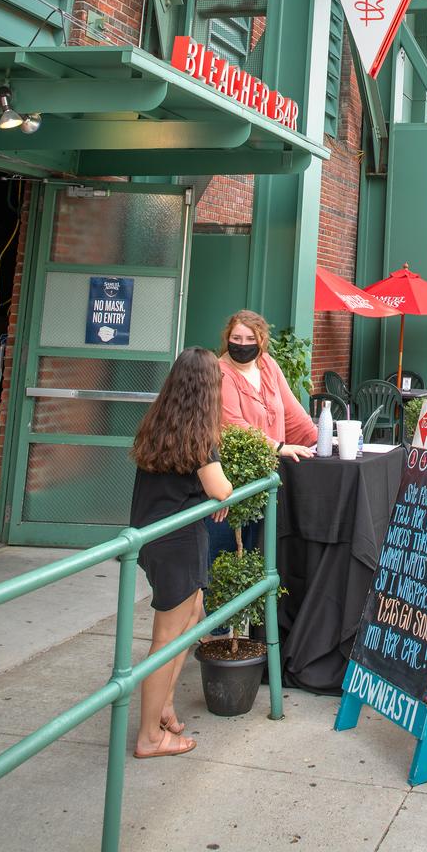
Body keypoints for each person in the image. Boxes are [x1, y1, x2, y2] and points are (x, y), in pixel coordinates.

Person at [129, 348, 233, 759]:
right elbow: (220, 488)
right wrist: (219, 491)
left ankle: (165, 708)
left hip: (155, 537)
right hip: (178, 542)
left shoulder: (160, 423)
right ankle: (149, 738)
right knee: (167, 641)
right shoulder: (200, 435)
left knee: (192, 617)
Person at [210, 310, 316, 571]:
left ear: (261, 340)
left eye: (249, 338)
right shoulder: (221, 372)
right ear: (227, 338)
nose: (242, 344)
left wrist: (320, 441)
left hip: (266, 476)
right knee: (226, 552)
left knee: (257, 549)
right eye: (237, 337)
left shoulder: (267, 365)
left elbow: (291, 412)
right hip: (232, 480)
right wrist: (279, 447)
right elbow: (233, 423)